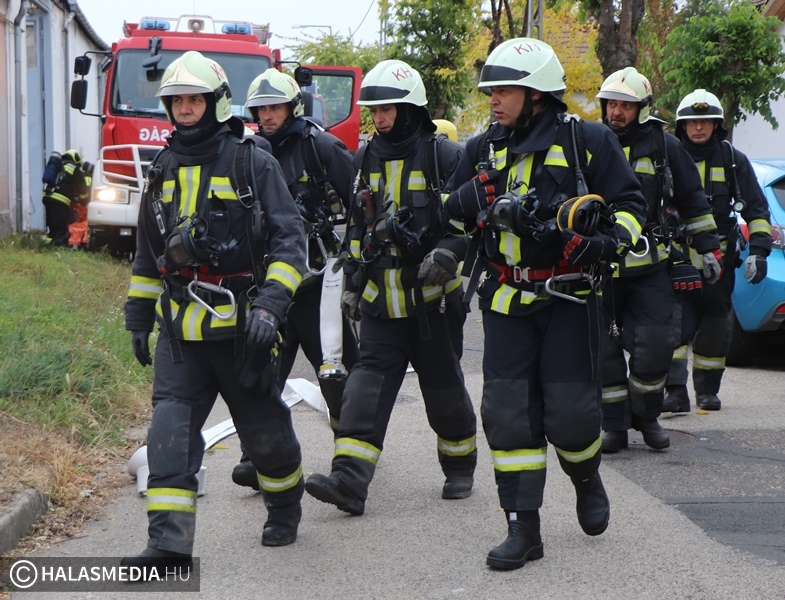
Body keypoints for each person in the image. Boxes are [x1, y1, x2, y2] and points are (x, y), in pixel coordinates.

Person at [443, 38, 647, 570]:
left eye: (504, 91)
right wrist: (463, 202)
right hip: (505, 300)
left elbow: (631, 205)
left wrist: (607, 242)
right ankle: (523, 528)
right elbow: (448, 213)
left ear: (537, 94)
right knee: (507, 415)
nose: (493, 100)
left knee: (572, 415)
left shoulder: (589, 140)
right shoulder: (480, 149)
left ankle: (586, 478)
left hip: (568, 298)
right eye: (490, 91)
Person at [122, 51, 306, 575]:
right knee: (169, 437)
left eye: (194, 99)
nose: (184, 109)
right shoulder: (161, 168)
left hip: (242, 331)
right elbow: (147, 251)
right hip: (180, 335)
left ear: (216, 103)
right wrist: (139, 313)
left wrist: (270, 307)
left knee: (265, 436)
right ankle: (168, 547)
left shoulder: (252, 162)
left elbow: (291, 242)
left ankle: (284, 505)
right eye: (176, 100)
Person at [304, 59, 477, 516]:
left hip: (433, 304)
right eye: (374, 111)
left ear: (410, 109)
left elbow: (471, 222)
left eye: (386, 110)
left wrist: (449, 251)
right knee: (365, 390)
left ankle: (460, 466)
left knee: (444, 394)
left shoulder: (445, 156)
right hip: (381, 302)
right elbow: (356, 225)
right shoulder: (364, 157)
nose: (378, 119)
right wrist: (352, 280)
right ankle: (349, 481)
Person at [231, 68, 360, 489]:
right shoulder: (246, 154)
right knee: (261, 374)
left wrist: (357, 262)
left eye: (275, 107)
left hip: (316, 285)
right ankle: (259, 458)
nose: (267, 115)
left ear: (293, 108)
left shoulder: (319, 146)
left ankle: (350, 456)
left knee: (337, 376)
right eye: (261, 109)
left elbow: (361, 204)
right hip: (269, 288)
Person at [595, 67, 721, 453]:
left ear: (643, 109)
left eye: (625, 106)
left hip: (651, 266)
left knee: (656, 345)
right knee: (602, 352)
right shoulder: (589, 142)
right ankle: (614, 425)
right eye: (611, 104)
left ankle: (646, 416)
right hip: (599, 267)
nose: (616, 112)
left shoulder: (664, 147)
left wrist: (708, 248)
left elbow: (693, 199)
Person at [663, 89, 773, 412]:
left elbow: (757, 210)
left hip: (720, 263)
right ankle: (675, 392)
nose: (698, 127)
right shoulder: (666, 158)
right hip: (676, 259)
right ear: (682, 126)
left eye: (706, 122)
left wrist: (759, 251)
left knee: (716, 325)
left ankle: (708, 391)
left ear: (716, 125)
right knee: (673, 325)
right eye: (692, 122)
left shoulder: (733, 161)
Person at [42, 149, 91, 246]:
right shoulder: (73, 168)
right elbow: (83, 189)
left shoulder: (58, 165)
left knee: (52, 224)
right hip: (60, 201)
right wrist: (84, 202)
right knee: (60, 226)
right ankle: (58, 245)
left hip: (47, 198)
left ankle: (48, 244)